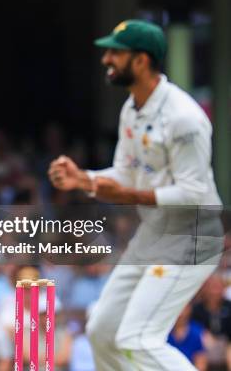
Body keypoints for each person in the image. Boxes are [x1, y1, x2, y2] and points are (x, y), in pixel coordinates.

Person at [48, 20, 223, 370]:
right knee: (101, 329)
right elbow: (126, 174)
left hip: (191, 236)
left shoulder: (185, 118)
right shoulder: (131, 107)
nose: (106, 59)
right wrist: (84, 179)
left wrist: (127, 193)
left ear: (141, 61)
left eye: (115, 52)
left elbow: (194, 193)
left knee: (137, 338)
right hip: (154, 233)